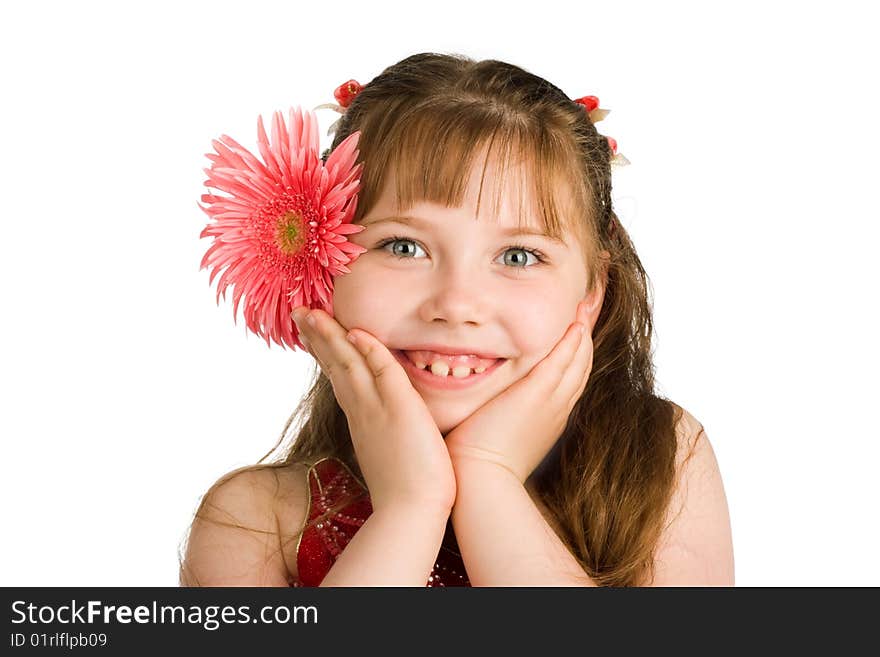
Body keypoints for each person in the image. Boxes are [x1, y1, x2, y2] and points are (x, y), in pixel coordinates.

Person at [179, 52, 734, 587]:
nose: (456, 304)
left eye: (518, 256)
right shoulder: (256, 519)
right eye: (403, 246)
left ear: (592, 291)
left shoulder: (659, 461)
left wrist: (488, 477)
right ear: (320, 266)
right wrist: (410, 506)